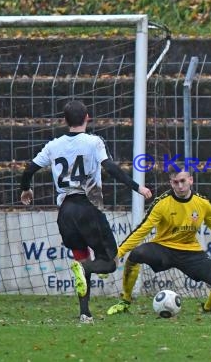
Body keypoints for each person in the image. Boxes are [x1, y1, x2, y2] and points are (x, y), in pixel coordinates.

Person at [20, 100, 153, 324]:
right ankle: (82, 272)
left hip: (65, 212)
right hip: (88, 207)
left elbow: (29, 169)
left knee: (82, 259)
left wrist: (26, 190)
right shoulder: (94, 142)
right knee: (109, 263)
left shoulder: (53, 145)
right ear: (87, 118)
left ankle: (85, 313)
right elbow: (110, 167)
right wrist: (137, 187)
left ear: (65, 120)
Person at [107, 169, 211, 316]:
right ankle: (125, 300)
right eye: (175, 182)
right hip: (163, 249)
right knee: (137, 254)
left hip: (191, 252)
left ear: (191, 180)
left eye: (183, 181)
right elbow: (142, 230)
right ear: (171, 183)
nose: (180, 186)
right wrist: (118, 253)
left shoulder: (202, 203)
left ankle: (209, 308)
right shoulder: (162, 203)